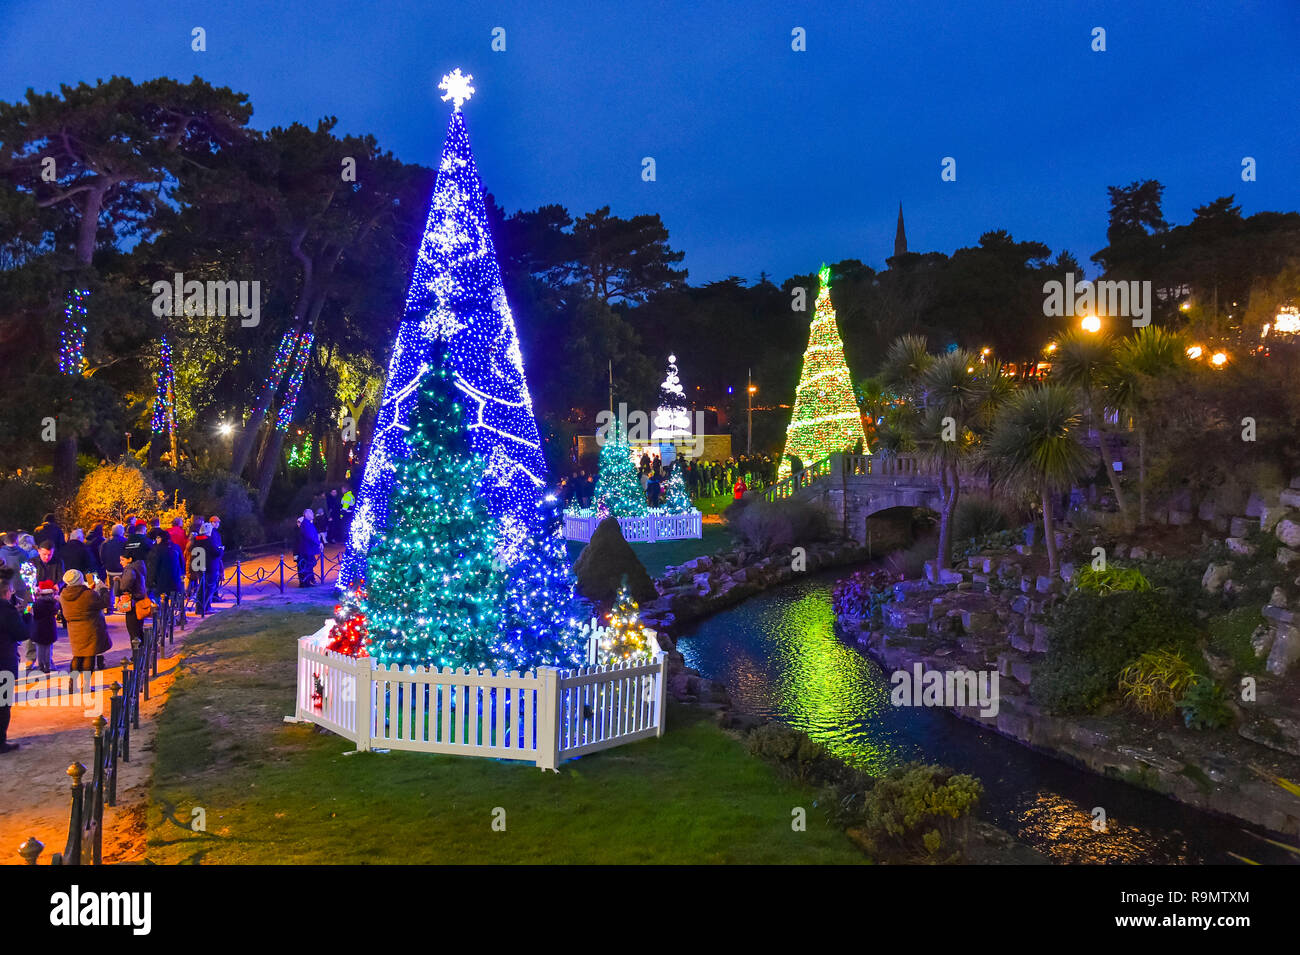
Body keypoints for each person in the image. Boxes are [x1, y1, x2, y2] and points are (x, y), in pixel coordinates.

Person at [60, 570, 111, 693]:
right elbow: (104, 603)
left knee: (77, 656)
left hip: (74, 630)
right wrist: (103, 590)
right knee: (89, 656)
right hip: (90, 628)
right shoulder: (88, 594)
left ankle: (72, 684)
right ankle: (86, 686)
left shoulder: (64, 595)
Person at [0, 569, 25, 753]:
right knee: (2, 704)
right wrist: (26, 617)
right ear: (6, 592)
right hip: (3, 662)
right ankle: (1, 742)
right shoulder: (7, 611)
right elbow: (22, 633)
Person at [116, 552, 148, 650]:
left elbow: (124, 586)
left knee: (133, 630)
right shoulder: (139, 566)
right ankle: (143, 651)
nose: (120, 562)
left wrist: (118, 581)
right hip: (138, 600)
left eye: (122, 560)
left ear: (130, 559)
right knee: (138, 629)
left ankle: (137, 656)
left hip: (132, 602)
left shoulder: (130, 569)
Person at [188, 523, 219, 613]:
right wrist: (221, 550)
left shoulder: (195, 540)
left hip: (198, 566)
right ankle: (204, 607)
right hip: (209, 567)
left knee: (201, 587)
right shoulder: (209, 540)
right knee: (208, 588)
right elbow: (216, 552)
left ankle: (200, 607)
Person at [99, 524, 128, 598]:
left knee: (111, 588)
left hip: (110, 569)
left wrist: (105, 564)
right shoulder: (125, 541)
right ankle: (123, 607)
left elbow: (102, 556)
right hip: (122, 569)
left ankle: (110, 607)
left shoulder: (105, 542)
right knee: (123, 588)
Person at [296, 508, 322, 587]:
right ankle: (306, 582)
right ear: (306, 515)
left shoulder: (308, 523)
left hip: (308, 548)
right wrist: (318, 543)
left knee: (309, 565)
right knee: (307, 565)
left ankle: (308, 580)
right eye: (311, 513)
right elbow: (310, 536)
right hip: (307, 549)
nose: (313, 514)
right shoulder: (306, 524)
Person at [207, 515, 226, 603]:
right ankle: (214, 597)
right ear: (212, 523)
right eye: (216, 522)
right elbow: (215, 547)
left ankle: (215, 596)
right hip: (215, 559)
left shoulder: (213, 532)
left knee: (216, 579)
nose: (218, 524)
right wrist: (221, 550)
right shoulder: (213, 533)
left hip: (215, 558)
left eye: (218, 522)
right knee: (214, 579)